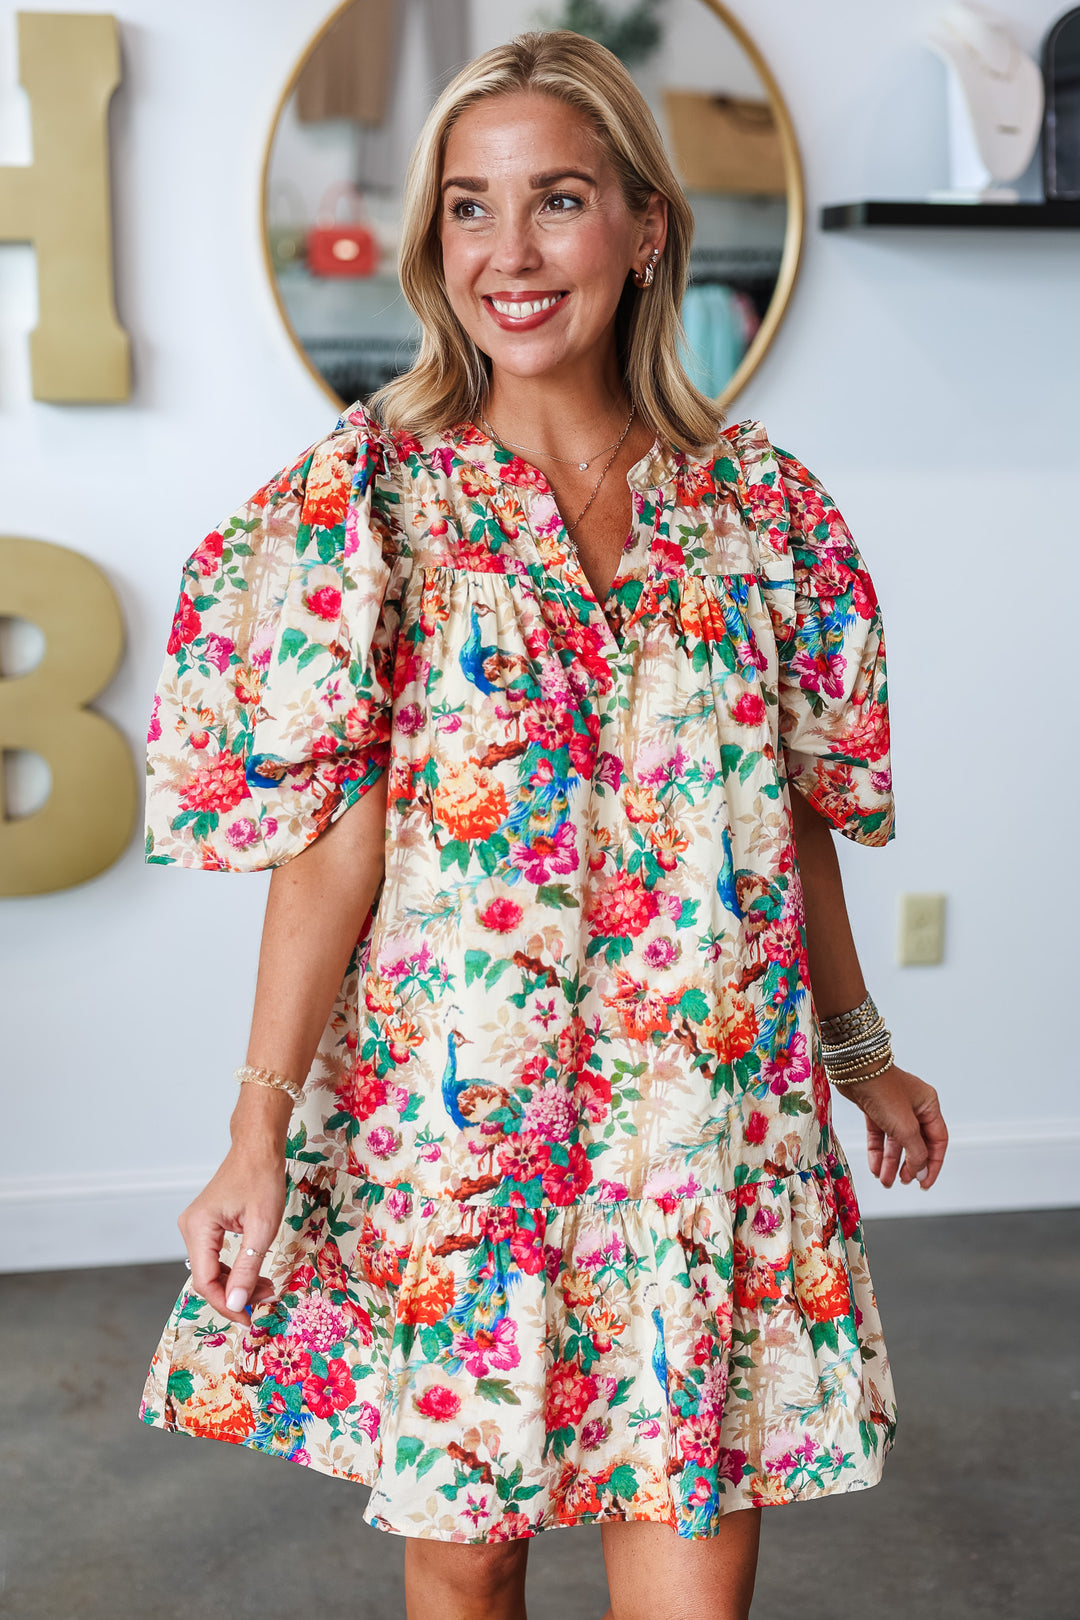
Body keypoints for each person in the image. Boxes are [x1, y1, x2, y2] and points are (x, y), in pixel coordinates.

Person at [139, 29, 948, 1620]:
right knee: (466, 1571)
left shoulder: (762, 514)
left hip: (699, 1132)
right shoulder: (369, 502)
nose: (508, 254)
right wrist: (255, 1131)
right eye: (467, 207)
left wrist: (858, 1049)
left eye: (558, 200)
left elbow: (786, 818)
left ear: (647, 228)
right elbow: (334, 845)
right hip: (462, 1149)